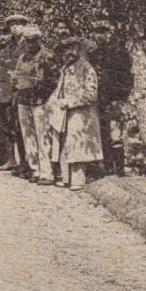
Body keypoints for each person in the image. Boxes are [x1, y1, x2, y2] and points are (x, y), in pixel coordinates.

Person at [49, 37, 104, 190]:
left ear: (79, 50)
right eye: (66, 49)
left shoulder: (87, 69)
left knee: (77, 144)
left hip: (81, 114)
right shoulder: (65, 68)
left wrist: (70, 102)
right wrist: (53, 101)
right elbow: (59, 88)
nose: (69, 52)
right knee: (63, 143)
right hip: (64, 113)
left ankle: (78, 179)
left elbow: (90, 95)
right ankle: (66, 177)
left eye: (73, 49)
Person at [11, 25, 57, 183]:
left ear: (39, 40)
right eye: (27, 41)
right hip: (24, 99)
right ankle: (34, 169)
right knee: (28, 136)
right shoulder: (22, 57)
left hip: (40, 100)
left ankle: (47, 172)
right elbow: (17, 75)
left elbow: (54, 80)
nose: (30, 44)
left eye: (33, 41)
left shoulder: (47, 56)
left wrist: (39, 85)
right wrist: (17, 81)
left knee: (43, 136)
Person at [88, 19, 133, 176]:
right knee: (101, 134)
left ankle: (119, 169)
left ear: (109, 34)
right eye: (97, 32)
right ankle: (107, 168)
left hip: (114, 101)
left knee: (115, 136)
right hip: (98, 101)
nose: (100, 36)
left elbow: (127, 78)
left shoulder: (119, 53)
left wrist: (120, 98)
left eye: (103, 32)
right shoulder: (92, 55)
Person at [0, 14, 28, 175]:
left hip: (19, 93)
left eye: (18, 25)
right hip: (2, 93)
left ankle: (25, 162)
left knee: (19, 128)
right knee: (6, 128)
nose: (14, 28)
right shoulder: (6, 47)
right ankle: (11, 159)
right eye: (12, 25)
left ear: (25, 26)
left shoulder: (28, 45)